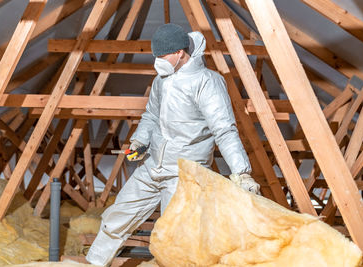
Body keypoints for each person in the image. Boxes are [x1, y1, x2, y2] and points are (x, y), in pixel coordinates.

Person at [86, 23, 260, 266]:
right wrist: (140, 141)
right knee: (116, 218)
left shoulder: (207, 82)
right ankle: (93, 263)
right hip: (152, 167)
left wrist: (241, 172)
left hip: (183, 172)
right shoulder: (162, 81)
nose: (158, 61)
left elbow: (224, 130)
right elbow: (150, 116)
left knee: (174, 237)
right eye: (155, 55)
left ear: (180, 52)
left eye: (162, 55)